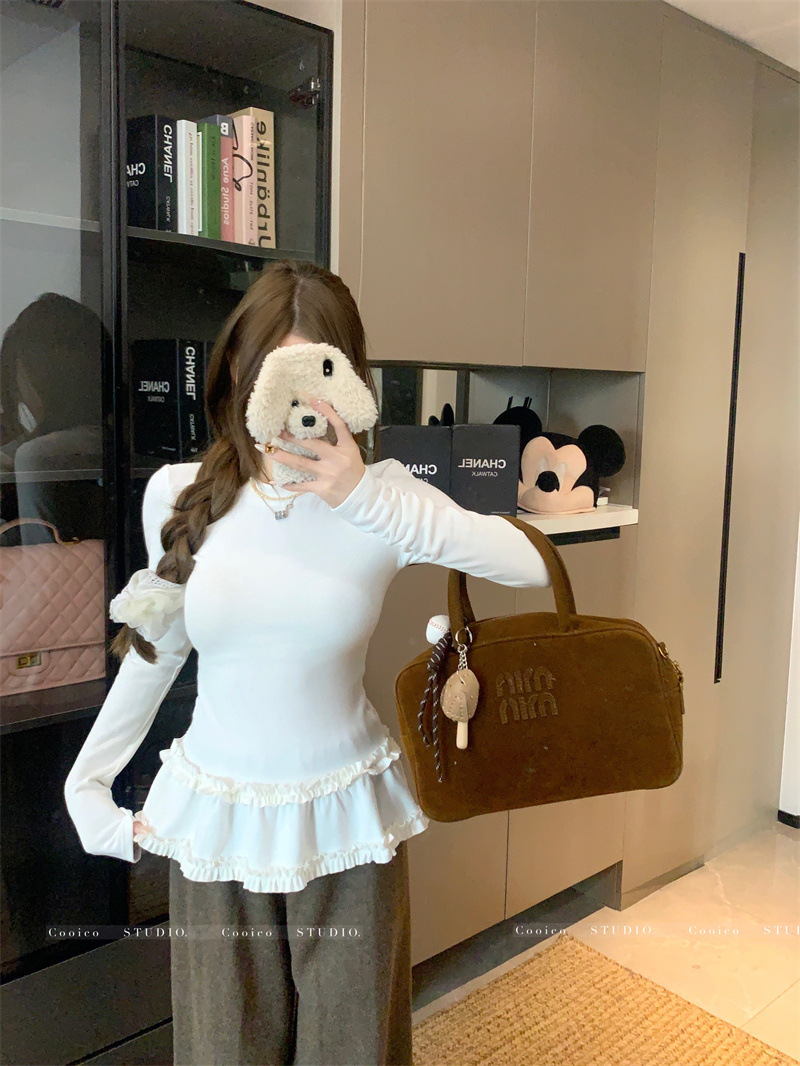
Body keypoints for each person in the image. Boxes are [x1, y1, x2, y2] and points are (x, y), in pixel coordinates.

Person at [63, 258, 551, 1066]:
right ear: (237, 373)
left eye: (317, 374)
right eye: (272, 372)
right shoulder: (180, 492)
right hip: (218, 822)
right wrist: (87, 785)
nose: (295, 402)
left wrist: (365, 498)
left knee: (355, 1048)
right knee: (223, 1051)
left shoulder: (384, 496)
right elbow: (158, 651)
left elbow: (531, 563)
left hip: (349, 822)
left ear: (350, 381)